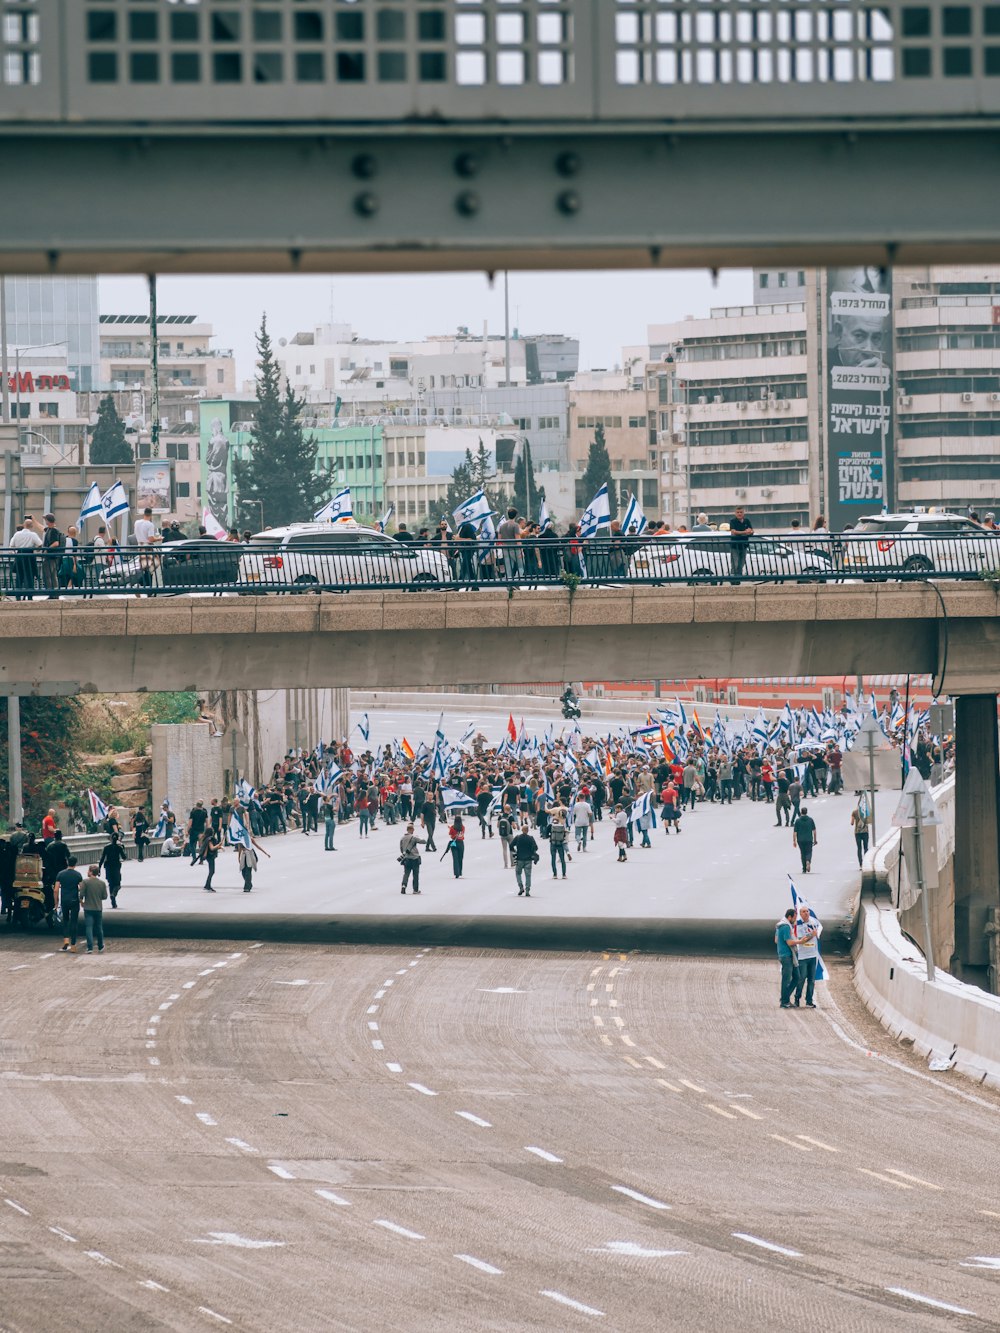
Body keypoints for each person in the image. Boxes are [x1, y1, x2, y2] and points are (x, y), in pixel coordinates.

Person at [793, 905, 821, 1009]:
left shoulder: (813, 923)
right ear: (800, 914)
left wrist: (815, 934)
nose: (806, 913)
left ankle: (809, 1000)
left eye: (807, 911)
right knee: (802, 978)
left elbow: (817, 933)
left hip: (812, 956)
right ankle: (797, 998)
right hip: (803, 956)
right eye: (803, 911)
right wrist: (812, 935)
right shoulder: (799, 924)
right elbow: (801, 939)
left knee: (811, 980)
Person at [56, 855, 84, 952]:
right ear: (75, 864)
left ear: (67, 862)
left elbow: (56, 890)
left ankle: (65, 940)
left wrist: (56, 902)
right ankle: (73, 945)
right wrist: (81, 900)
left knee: (65, 920)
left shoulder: (60, 874)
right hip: (74, 901)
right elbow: (82, 889)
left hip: (64, 900)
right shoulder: (78, 875)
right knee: (74, 922)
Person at [10, 517, 42, 599]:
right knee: (30, 576)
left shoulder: (17, 534)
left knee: (19, 576)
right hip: (29, 556)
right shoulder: (33, 535)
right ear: (32, 526)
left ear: (24, 525)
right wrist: (37, 550)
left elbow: (11, 545)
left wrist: (15, 553)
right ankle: (29, 596)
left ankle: (18, 596)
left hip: (19, 556)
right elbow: (39, 544)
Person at [134, 507, 163, 589]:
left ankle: (141, 585)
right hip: (148, 546)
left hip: (140, 546)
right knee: (153, 565)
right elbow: (151, 539)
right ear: (151, 515)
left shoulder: (137, 522)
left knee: (144, 567)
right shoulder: (150, 525)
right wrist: (158, 538)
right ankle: (144, 586)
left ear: (144, 513)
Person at [775, 907, 798, 1009]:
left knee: (797, 976)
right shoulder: (785, 927)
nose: (795, 920)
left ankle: (785, 998)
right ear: (789, 917)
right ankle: (784, 1002)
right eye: (794, 917)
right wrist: (800, 941)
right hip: (786, 956)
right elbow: (789, 942)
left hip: (789, 955)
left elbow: (776, 940)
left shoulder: (781, 925)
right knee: (786, 979)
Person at [81, 864, 108, 953]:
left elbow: (81, 895)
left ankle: (90, 948)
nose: (87, 872)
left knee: (89, 927)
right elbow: (104, 896)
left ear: (91, 872)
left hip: (88, 908)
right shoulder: (102, 883)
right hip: (98, 907)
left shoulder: (85, 882)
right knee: (99, 927)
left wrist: (82, 902)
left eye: (88, 871)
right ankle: (100, 946)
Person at [98, 831, 125, 908]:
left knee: (111, 884)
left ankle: (113, 901)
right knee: (118, 884)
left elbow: (102, 858)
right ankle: (113, 894)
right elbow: (124, 857)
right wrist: (123, 848)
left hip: (108, 867)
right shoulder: (119, 847)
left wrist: (99, 868)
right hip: (116, 867)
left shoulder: (106, 847)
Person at [511, 821, 539, 896]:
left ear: (522, 830)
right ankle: (527, 890)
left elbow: (511, 846)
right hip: (528, 859)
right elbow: (536, 847)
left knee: (518, 873)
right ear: (528, 831)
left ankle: (521, 887)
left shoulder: (518, 837)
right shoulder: (531, 838)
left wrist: (515, 851)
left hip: (519, 858)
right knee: (528, 875)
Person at [41, 513, 63, 597]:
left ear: (48, 521)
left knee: (47, 575)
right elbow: (42, 528)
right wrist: (34, 520)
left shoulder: (53, 531)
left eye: (46, 520)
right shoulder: (51, 529)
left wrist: (47, 550)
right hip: (53, 557)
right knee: (53, 575)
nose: (45, 521)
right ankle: (55, 593)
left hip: (50, 556)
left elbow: (56, 543)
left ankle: (51, 593)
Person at [399, 823, 425, 894]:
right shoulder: (414, 837)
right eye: (413, 829)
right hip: (415, 858)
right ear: (411, 830)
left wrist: (405, 854)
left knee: (406, 873)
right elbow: (424, 841)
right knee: (415, 874)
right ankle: (415, 890)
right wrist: (419, 837)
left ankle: (404, 886)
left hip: (406, 858)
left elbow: (401, 849)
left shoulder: (402, 838)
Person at [729, 505, 753, 580]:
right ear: (735, 513)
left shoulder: (747, 521)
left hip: (744, 545)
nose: (739, 514)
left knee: (741, 564)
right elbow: (733, 532)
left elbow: (751, 531)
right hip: (735, 546)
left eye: (741, 512)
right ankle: (733, 580)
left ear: (744, 513)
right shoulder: (732, 521)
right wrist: (745, 532)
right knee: (734, 564)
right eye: (738, 512)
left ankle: (739, 579)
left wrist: (747, 532)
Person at [792, 805, 817, 873]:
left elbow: (795, 832)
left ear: (801, 812)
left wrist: (794, 841)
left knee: (802, 853)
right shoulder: (810, 820)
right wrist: (815, 840)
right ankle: (808, 861)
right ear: (806, 812)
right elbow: (814, 831)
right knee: (809, 852)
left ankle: (804, 868)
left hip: (800, 840)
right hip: (809, 839)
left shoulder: (798, 821)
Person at [548, 807, 569, 878]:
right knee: (562, 859)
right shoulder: (562, 823)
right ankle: (564, 874)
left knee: (553, 859)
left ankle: (555, 874)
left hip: (553, 842)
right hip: (560, 843)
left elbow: (546, 833)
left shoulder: (552, 824)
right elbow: (565, 834)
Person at [200, 826, 222, 891]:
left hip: (208, 857)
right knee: (212, 871)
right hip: (210, 856)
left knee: (211, 871)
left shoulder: (205, 838)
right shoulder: (210, 839)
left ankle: (207, 885)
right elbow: (212, 848)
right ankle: (207, 885)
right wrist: (218, 845)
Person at [851, 799, 871, 867]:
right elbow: (869, 821)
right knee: (866, 848)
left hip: (857, 833)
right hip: (865, 832)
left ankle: (860, 864)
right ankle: (866, 862)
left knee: (859, 848)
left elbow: (852, 823)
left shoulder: (854, 812)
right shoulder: (866, 812)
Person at [447, 814, 465, 879]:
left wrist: (449, 828)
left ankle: (456, 872)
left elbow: (450, 834)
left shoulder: (452, 827)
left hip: (454, 843)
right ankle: (460, 871)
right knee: (460, 858)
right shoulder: (463, 827)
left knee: (455, 859)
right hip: (461, 843)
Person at [497, 805, 515, 870]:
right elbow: (514, 826)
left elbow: (498, 825)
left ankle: (505, 864)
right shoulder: (510, 816)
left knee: (504, 850)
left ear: (504, 809)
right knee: (511, 849)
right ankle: (512, 863)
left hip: (503, 835)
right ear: (510, 809)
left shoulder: (500, 816)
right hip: (510, 834)